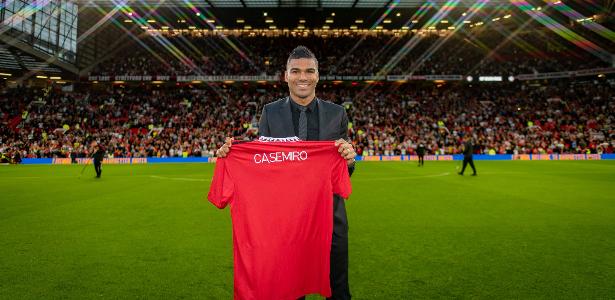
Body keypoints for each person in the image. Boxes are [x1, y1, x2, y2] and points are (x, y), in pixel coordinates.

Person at [216, 45, 356, 300]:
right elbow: (265, 161)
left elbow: (342, 170)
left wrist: (348, 159)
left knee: (338, 288)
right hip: (286, 222)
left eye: (309, 71)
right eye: (296, 71)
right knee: (289, 289)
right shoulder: (270, 111)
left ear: (317, 75)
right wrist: (232, 152)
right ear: (286, 76)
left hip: (329, 216)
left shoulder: (338, 114)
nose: (303, 77)